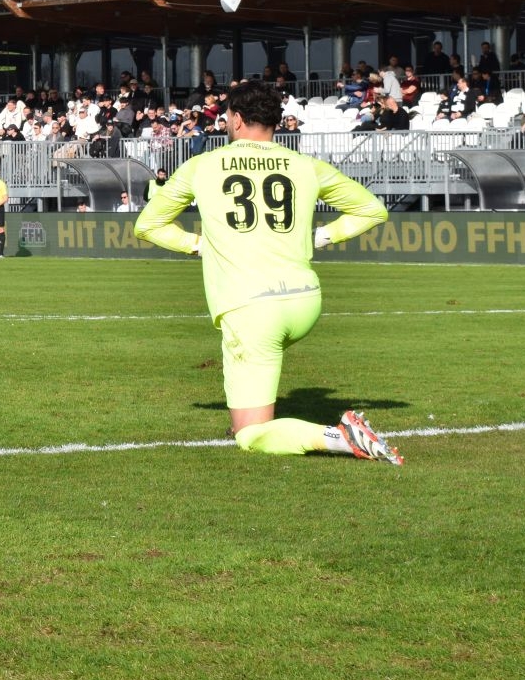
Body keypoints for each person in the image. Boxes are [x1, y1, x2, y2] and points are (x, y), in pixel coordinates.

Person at [134, 82, 400, 463]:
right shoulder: (306, 165)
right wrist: (318, 238)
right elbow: (373, 210)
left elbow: (148, 225)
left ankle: (340, 437)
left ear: (237, 119)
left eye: (227, 116)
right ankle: (248, 410)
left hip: (251, 305)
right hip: (305, 300)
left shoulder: (202, 165)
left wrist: (199, 245)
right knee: (248, 379)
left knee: (250, 435)